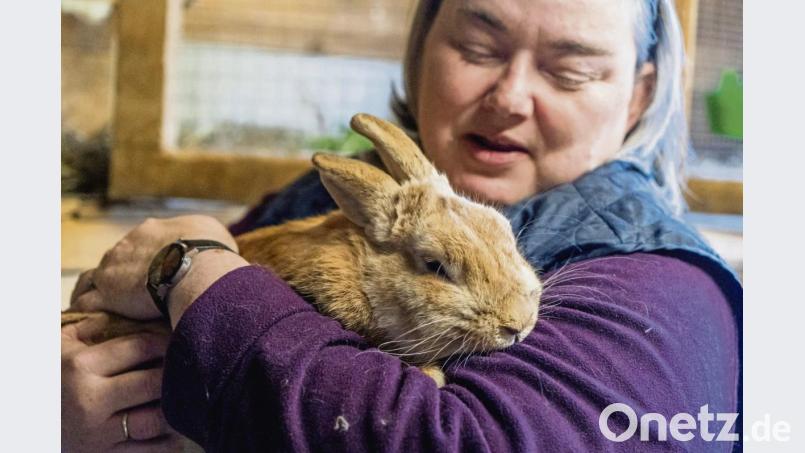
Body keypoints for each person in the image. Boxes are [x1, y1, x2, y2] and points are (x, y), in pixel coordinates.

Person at [63, 0, 742, 451]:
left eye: (570, 71)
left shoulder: (657, 289)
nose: (507, 98)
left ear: (638, 97)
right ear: (420, 52)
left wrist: (192, 270)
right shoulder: (330, 194)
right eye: (476, 48)